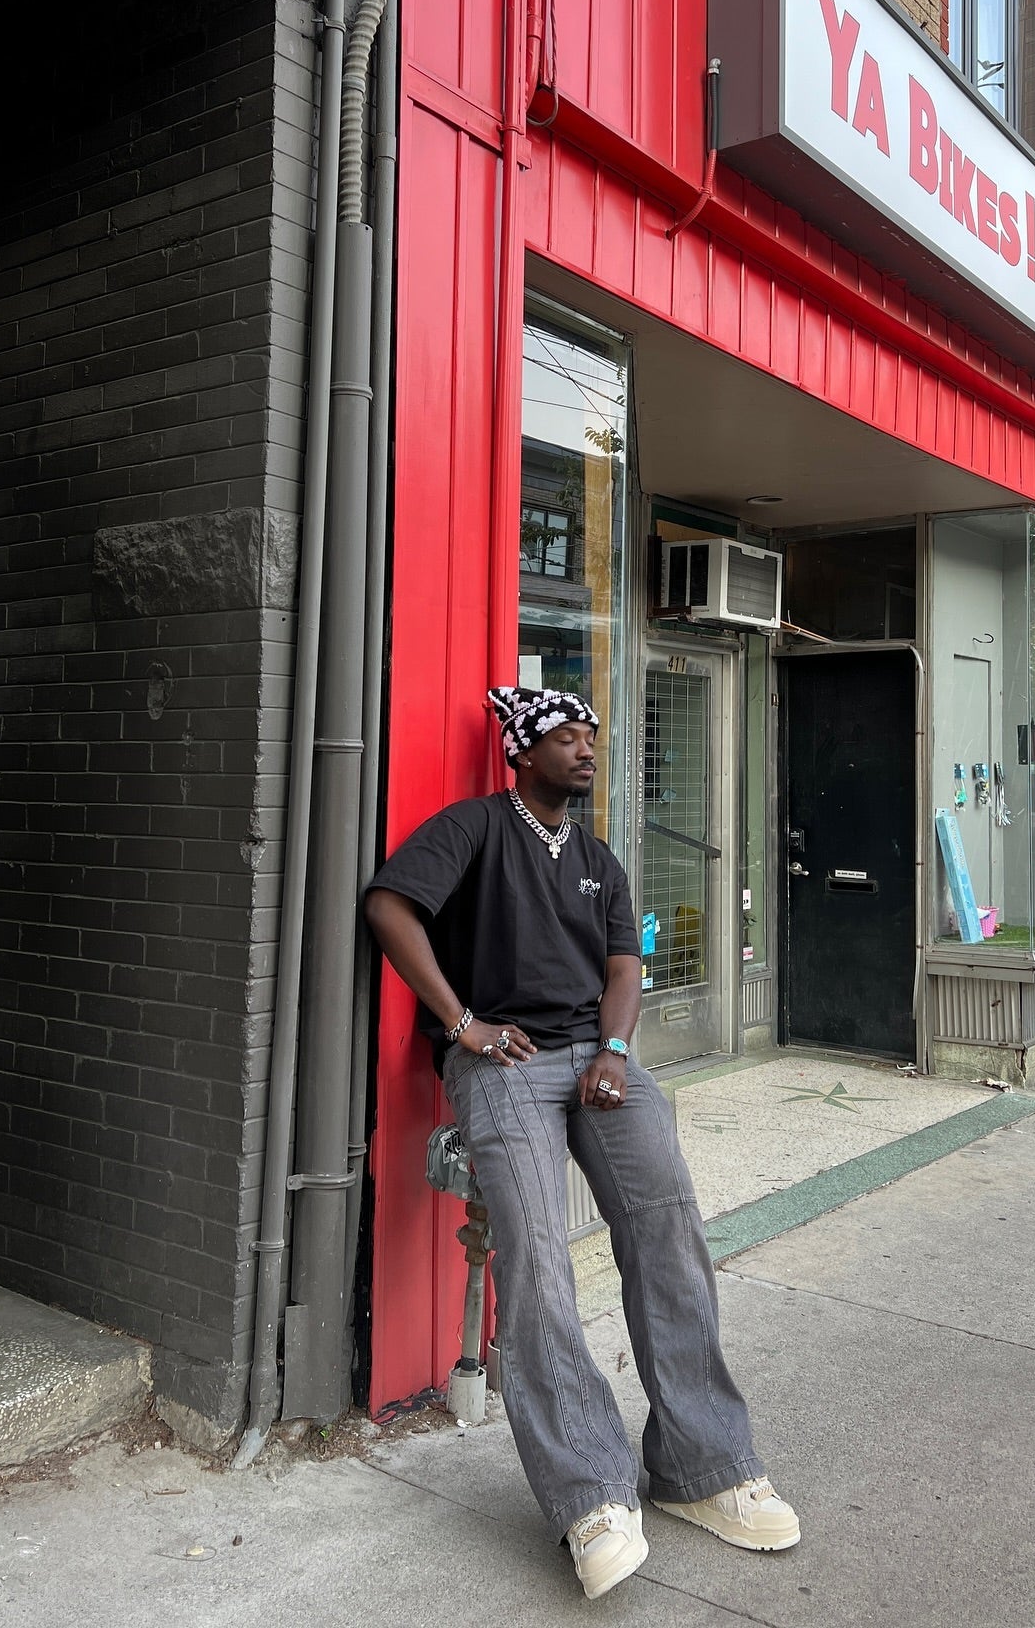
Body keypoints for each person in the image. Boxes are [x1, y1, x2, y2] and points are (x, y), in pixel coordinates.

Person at [364, 685, 800, 1601]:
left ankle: (703, 1466)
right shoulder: (475, 829)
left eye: (592, 736)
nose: (587, 749)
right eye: (566, 736)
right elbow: (390, 909)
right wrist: (463, 1024)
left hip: (593, 1059)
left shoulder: (600, 858)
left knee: (668, 1228)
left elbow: (622, 966)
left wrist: (613, 1049)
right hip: (504, 1062)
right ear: (522, 753)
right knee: (536, 1253)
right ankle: (592, 1495)